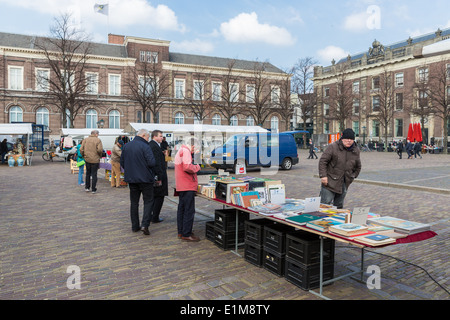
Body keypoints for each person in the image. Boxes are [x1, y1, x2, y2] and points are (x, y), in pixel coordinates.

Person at [120, 129, 156, 235]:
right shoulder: (145, 146)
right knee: (148, 201)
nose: (148, 139)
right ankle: (145, 224)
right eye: (148, 137)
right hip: (145, 178)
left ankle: (135, 226)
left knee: (134, 202)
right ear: (143, 135)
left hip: (132, 178)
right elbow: (152, 162)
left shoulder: (126, 146)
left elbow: (122, 162)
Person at [318, 128, 362, 209]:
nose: (349, 141)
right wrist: (323, 176)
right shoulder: (333, 147)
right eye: (347, 138)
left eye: (351, 139)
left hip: (344, 183)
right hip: (329, 182)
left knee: (339, 206)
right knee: (324, 205)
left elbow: (358, 166)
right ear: (342, 139)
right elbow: (323, 161)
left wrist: (353, 176)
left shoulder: (356, 150)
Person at [174, 137, 201, 242]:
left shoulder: (180, 150)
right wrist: (197, 167)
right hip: (187, 184)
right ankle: (187, 233)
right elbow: (187, 167)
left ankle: (181, 231)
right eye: (195, 148)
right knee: (189, 210)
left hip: (182, 185)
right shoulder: (186, 151)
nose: (194, 151)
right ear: (193, 145)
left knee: (182, 209)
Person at [149, 130, 168, 223]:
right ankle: (154, 216)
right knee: (158, 196)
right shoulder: (154, 146)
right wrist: (159, 176)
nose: (162, 137)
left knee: (156, 196)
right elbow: (156, 163)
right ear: (154, 136)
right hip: (158, 175)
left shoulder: (155, 146)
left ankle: (153, 215)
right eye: (160, 136)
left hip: (156, 175)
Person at [81, 130, 103, 194]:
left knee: (88, 173)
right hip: (95, 159)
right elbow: (100, 150)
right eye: (98, 134)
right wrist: (99, 155)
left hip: (87, 159)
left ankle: (87, 187)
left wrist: (84, 156)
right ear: (96, 134)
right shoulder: (98, 140)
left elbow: (81, 149)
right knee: (94, 174)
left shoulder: (85, 140)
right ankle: (93, 189)